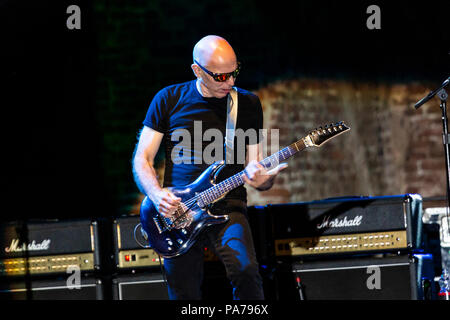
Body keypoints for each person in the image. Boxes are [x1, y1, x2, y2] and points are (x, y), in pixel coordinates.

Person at [132, 35, 287, 300]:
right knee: (183, 290)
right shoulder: (168, 99)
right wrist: (157, 195)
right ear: (197, 70)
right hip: (177, 213)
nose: (230, 82)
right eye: (220, 77)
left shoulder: (248, 104)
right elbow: (142, 159)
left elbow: (256, 168)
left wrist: (262, 179)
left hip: (228, 206)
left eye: (234, 73)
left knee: (247, 272)